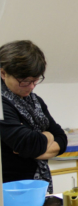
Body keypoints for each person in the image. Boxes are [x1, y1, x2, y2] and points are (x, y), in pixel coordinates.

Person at [0, 40, 68, 194]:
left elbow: (61, 139)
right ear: (3, 73)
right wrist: (48, 136)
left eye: (35, 80)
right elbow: (28, 143)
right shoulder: (1, 105)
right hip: (10, 189)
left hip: (37, 186)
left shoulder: (35, 100)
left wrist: (37, 144)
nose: (31, 87)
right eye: (24, 81)